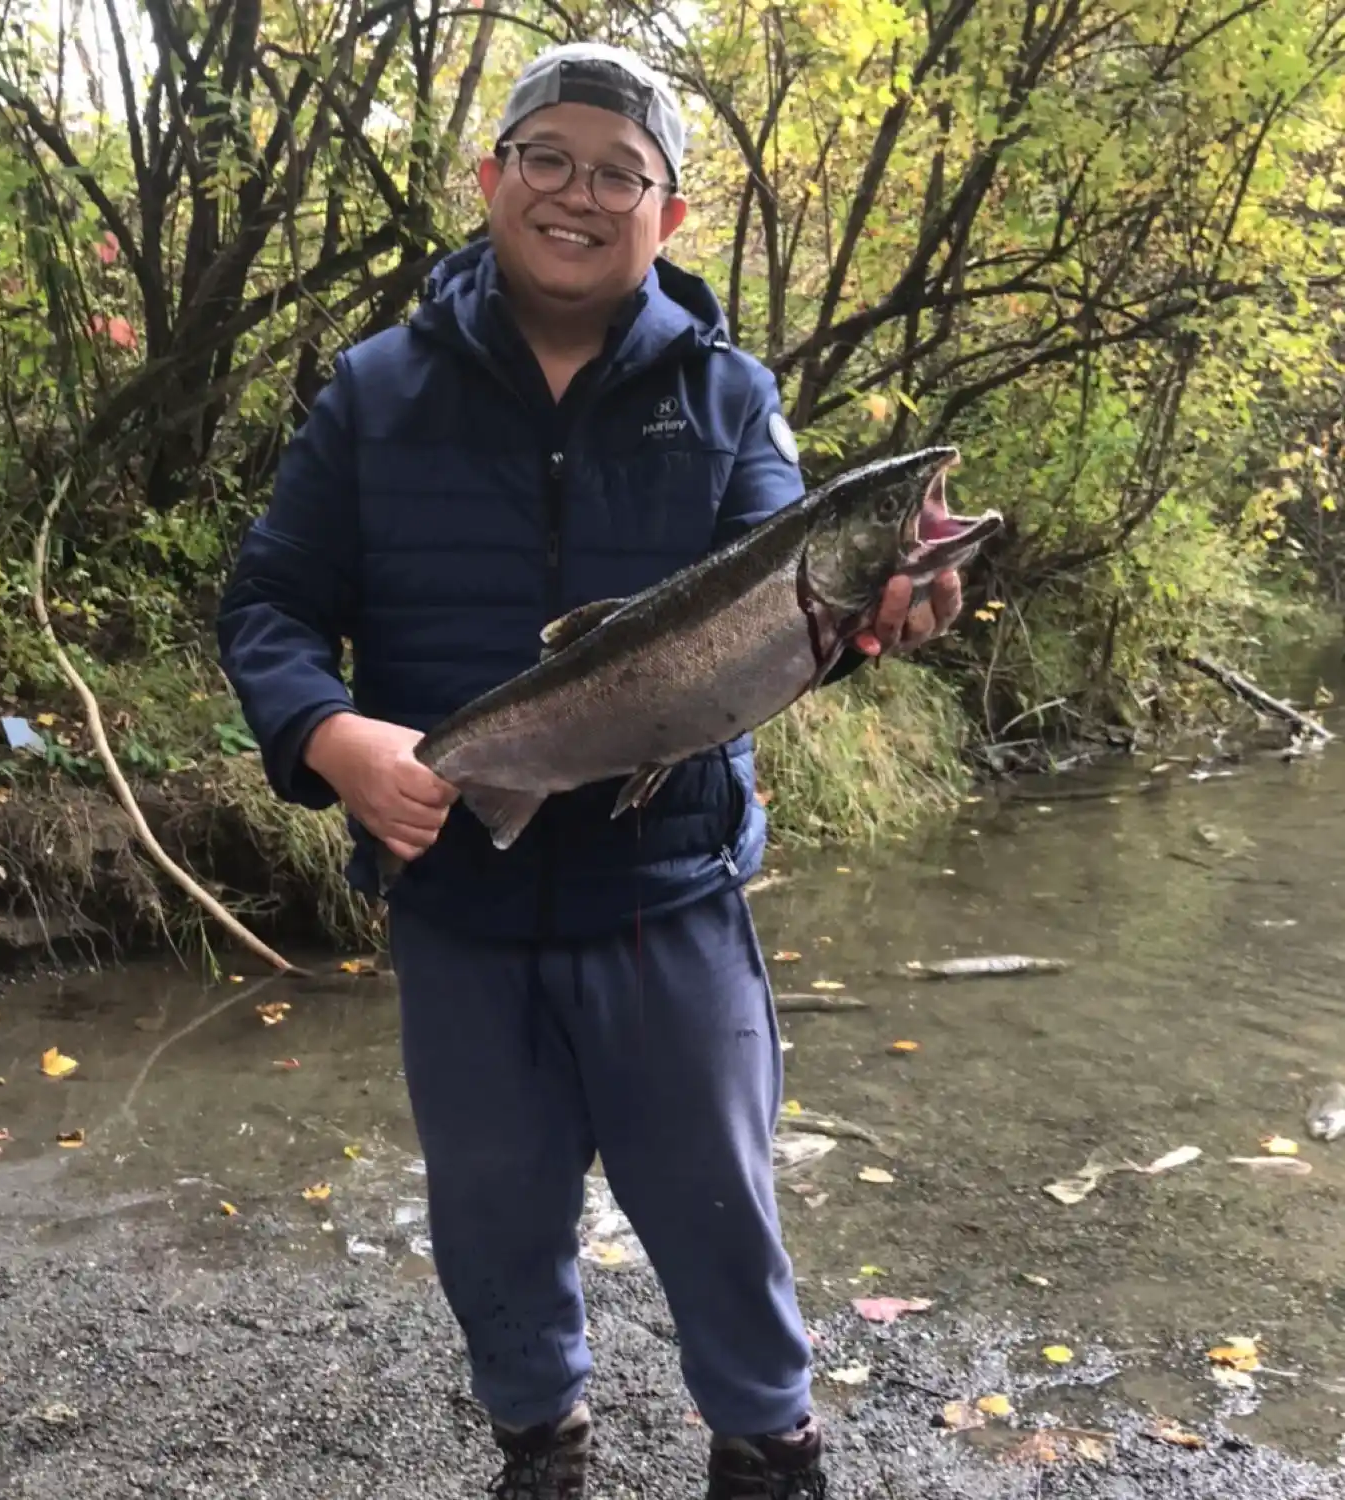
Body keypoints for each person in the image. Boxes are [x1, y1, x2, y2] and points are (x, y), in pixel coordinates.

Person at [216, 40, 962, 1500]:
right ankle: (537, 1445)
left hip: (667, 885)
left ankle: (768, 1446)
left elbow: (785, 609)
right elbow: (269, 609)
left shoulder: (733, 398)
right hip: (456, 893)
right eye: (547, 157)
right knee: (491, 1211)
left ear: (669, 214)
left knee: (719, 1204)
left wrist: (876, 626)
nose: (578, 192)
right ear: (490, 179)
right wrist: (330, 736)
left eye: (619, 171)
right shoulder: (372, 392)